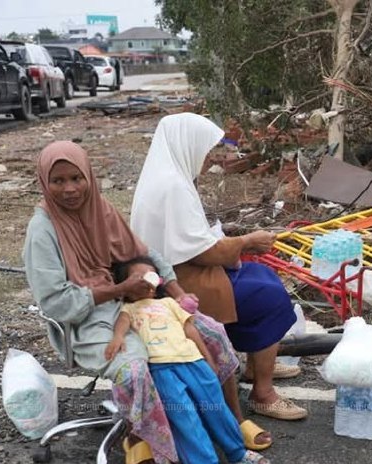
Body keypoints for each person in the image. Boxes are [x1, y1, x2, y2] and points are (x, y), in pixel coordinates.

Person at [22, 141, 246, 464]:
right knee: (136, 368)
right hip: (86, 322)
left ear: (89, 177)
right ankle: (142, 436)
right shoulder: (42, 231)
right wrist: (118, 290)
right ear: (44, 182)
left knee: (209, 331)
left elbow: (146, 253)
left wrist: (176, 292)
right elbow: (57, 303)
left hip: (131, 303)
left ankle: (232, 420)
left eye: (76, 178)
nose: (70, 189)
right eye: (59, 181)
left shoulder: (100, 209)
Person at [131, 113, 308, 424]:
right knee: (269, 297)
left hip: (177, 271)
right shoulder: (172, 185)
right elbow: (205, 251)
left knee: (264, 277)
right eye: (205, 149)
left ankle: (257, 364)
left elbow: (191, 240)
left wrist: (235, 243)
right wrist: (248, 240)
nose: (207, 157)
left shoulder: (167, 175)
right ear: (188, 145)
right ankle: (262, 394)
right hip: (178, 284)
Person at [106, 257, 270, 464]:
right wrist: (117, 338)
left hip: (193, 361)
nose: (147, 282)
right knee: (185, 417)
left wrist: (209, 361)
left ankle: (236, 453)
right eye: (139, 277)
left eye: (152, 275)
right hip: (162, 369)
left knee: (216, 408)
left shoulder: (170, 303)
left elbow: (191, 330)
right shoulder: (128, 309)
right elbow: (122, 324)